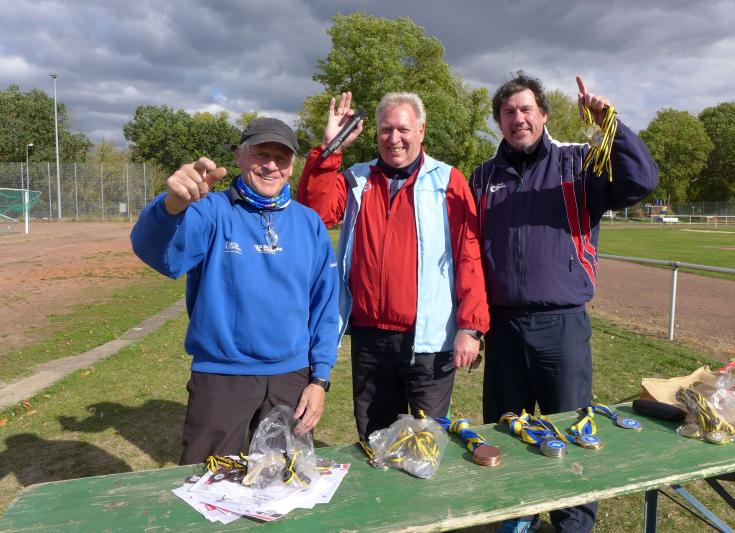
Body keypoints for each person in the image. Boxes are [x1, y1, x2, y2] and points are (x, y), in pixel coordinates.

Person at [470, 73, 658, 533]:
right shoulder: (482, 177)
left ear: (543, 114)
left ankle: (572, 524)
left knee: (573, 431)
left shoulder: (578, 162)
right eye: (509, 112)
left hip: (562, 326)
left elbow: (641, 181)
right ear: (499, 121)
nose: (518, 118)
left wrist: (610, 123)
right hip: (503, 329)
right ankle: (517, 516)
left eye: (526, 109)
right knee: (507, 430)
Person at [131, 118, 339, 465]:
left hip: (291, 378)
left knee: (284, 481)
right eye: (261, 154)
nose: (271, 165)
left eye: (281, 158)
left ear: (292, 166)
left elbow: (325, 308)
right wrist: (171, 208)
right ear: (240, 156)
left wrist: (319, 380)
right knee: (207, 483)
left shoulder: (309, 223)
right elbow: (158, 254)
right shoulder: (210, 211)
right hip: (222, 376)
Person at [298, 91, 489, 443]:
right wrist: (330, 147)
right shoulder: (357, 179)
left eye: (403, 129)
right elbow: (315, 213)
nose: (394, 138)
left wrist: (471, 327)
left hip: (429, 340)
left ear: (421, 131)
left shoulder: (448, 180)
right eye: (386, 130)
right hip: (370, 339)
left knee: (426, 444)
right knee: (376, 441)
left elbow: (470, 256)